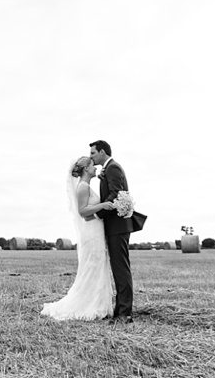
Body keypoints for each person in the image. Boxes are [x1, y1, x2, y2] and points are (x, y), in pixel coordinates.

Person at [40, 156, 116, 321]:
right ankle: (88, 304)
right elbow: (83, 211)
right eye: (92, 165)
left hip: (96, 231)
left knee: (97, 266)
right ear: (85, 169)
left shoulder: (86, 185)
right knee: (92, 267)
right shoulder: (82, 187)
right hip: (91, 233)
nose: (95, 167)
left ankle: (98, 303)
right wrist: (103, 205)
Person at [91, 139, 136, 324]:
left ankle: (125, 314)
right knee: (118, 269)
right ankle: (120, 310)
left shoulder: (113, 168)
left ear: (102, 152)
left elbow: (115, 194)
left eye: (93, 153)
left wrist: (97, 213)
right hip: (114, 227)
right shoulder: (108, 169)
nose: (91, 156)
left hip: (118, 227)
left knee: (121, 269)